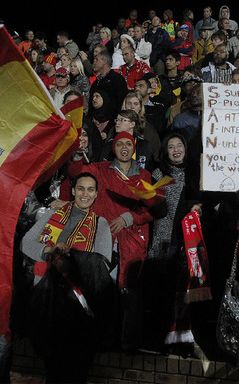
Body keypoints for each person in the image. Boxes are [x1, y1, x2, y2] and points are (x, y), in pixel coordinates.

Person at [21, 172, 113, 383]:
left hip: (79, 303)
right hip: (48, 298)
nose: (85, 194)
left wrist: (70, 261)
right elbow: (26, 243)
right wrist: (49, 250)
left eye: (90, 190)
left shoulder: (101, 225)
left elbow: (102, 264)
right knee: (52, 367)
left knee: (77, 367)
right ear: (72, 190)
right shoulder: (52, 215)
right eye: (80, 188)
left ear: (96, 194)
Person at [69, 131, 154, 352]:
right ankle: (102, 340)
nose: (124, 147)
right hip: (104, 239)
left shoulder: (144, 176)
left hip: (132, 241)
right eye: (119, 144)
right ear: (113, 148)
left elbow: (152, 209)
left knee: (130, 293)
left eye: (128, 143)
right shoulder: (100, 169)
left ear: (134, 148)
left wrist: (130, 217)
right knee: (102, 291)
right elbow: (77, 174)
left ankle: (129, 344)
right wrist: (78, 156)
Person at [144, 132, 202, 354]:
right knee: (163, 292)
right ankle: (160, 340)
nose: (176, 150)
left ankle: (183, 341)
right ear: (165, 152)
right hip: (165, 240)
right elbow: (157, 209)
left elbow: (200, 199)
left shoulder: (195, 173)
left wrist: (197, 206)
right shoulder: (159, 173)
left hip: (188, 240)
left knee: (185, 293)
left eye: (180, 145)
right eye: (171, 147)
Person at [89, 50, 128, 121]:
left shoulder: (117, 79)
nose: (94, 61)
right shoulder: (96, 82)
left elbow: (120, 103)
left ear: (104, 61)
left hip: (111, 123)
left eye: (96, 59)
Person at [122, 92, 160, 163]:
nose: (132, 107)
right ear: (124, 106)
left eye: (136, 104)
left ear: (140, 107)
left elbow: (156, 153)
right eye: (129, 103)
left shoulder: (148, 128)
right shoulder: (117, 126)